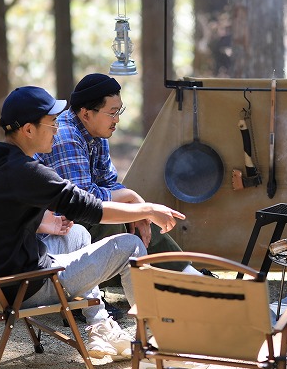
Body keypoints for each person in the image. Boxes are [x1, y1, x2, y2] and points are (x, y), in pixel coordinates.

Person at [0, 86, 186, 360]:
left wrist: (41, 224)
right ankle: (157, 340)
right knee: (132, 246)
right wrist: (146, 209)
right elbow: (90, 207)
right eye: (52, 122)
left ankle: (100, 326)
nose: (57, 129)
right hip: (27, 286)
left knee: (77, 233)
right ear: (28, 130)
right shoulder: (26, 172)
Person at [35, 73, 189, 268]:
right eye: (112, 113)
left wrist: (138, 209)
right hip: (53, 233)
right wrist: (132, 199)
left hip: (77, 220)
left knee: (138, 216)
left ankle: (188, 274)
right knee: (117, 220)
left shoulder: (97, 134)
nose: (117, 120)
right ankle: (161, 279)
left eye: (119, 111)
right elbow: (83, 199)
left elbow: (108, 182)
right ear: (86, 114)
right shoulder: (66, 136)